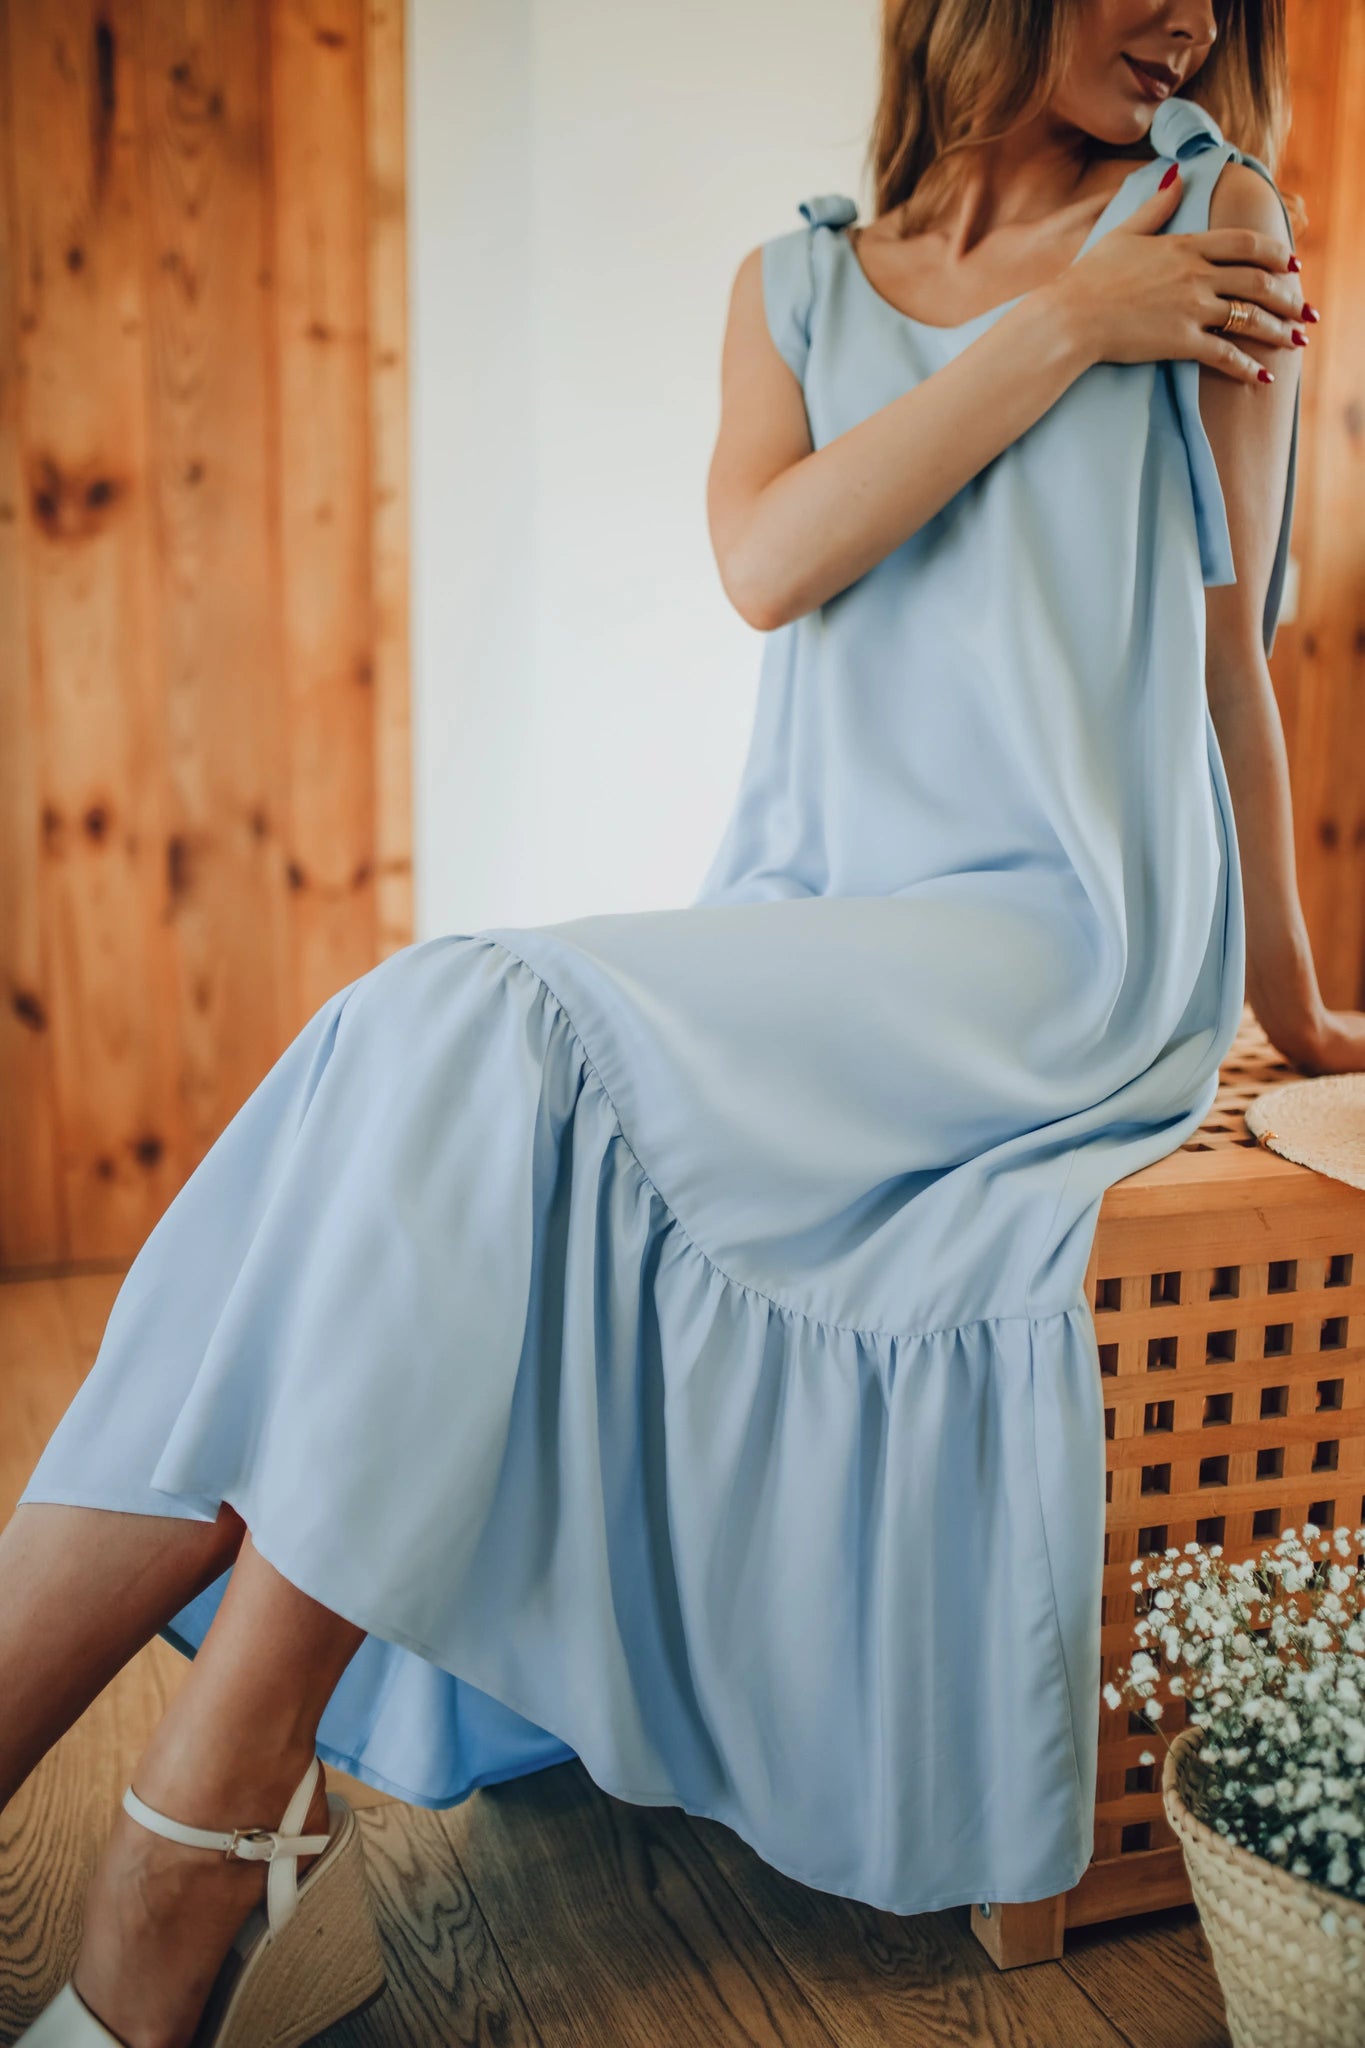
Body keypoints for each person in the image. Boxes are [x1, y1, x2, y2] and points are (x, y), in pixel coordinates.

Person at [7, 2, 1358, 2043]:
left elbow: (1219, 653)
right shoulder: (796, 282)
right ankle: (202, 1846)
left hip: (1062, 953)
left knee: (472, 1021)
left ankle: (192, 1860)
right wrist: (1062, 330)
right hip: (822, 923)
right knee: (426, 1049)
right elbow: (766, 559)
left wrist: (1287, 1003)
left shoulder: (1209, 213)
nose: (1183, 12)